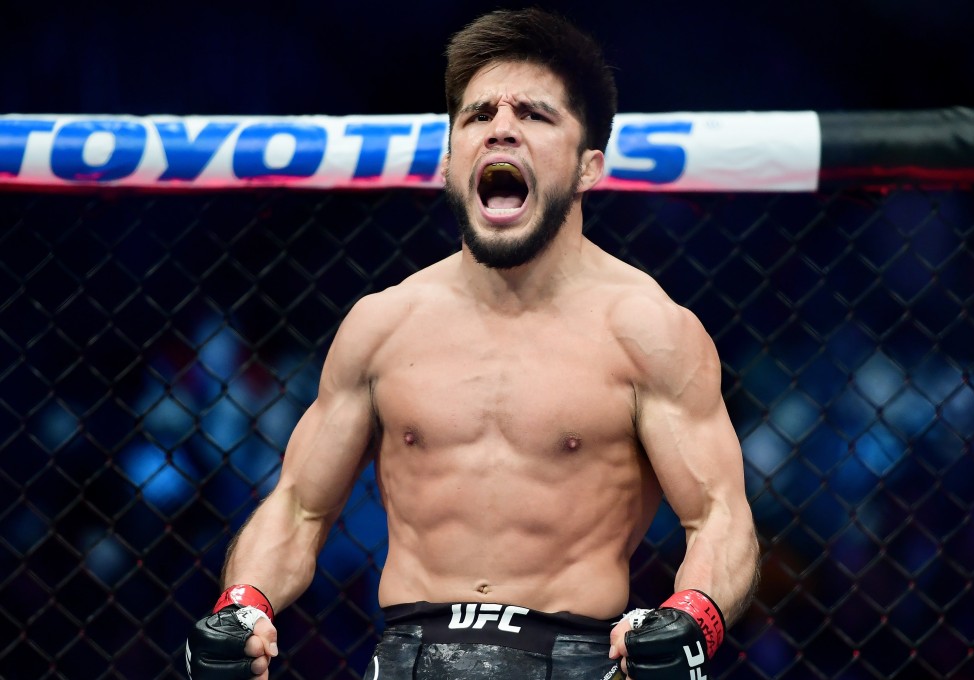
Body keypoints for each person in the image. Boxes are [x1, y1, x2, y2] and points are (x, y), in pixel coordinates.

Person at [186, 8, 759, 679]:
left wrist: (693, 616)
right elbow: (298, 505)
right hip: (407, 657)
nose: (502, 129)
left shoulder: (647, 330)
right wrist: (243, 607)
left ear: (588, 167)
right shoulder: (383, 324)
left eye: (536, 116)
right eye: (479, 115)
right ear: (451, 160)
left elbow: (721, 515)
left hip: (574, 657)